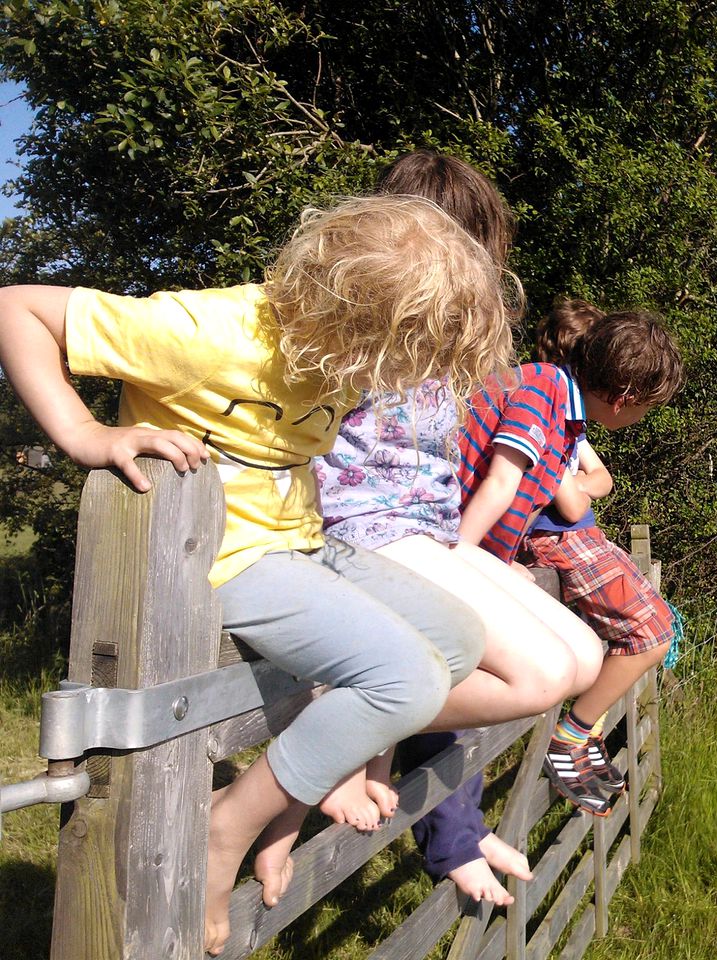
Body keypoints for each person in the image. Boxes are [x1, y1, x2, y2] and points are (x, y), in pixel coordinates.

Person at [0, 194, 512, 956]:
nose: (397, 382)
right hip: (224, 557)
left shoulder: (336, 353)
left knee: (461, 640)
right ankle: (225, 832)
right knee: (406, 678)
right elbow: (16, 308)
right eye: (397, 358)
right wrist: (83, 432)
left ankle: (288, 801)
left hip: (296, 543)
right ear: (351, 317)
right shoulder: (207, 332)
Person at [313, 150, 604, 905]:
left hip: (428, 531)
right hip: (366, 532)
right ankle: (349, 721)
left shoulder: (446, 355)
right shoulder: (345, 326)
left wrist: (478, 560)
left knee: (581, 655)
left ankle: (442, 812)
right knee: (534, 671)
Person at [522, 300, 683, 813]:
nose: (642, 419)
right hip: (562, 540)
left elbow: (600, 482)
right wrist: (583, 489)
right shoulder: (551, 406)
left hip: (575, 536)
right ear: (623, 398)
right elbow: (571, 500)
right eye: (645, 408)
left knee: (654, 625)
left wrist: (585, 488)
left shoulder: (565, 408)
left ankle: (579, 736)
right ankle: (571, 737)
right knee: (652, 631)